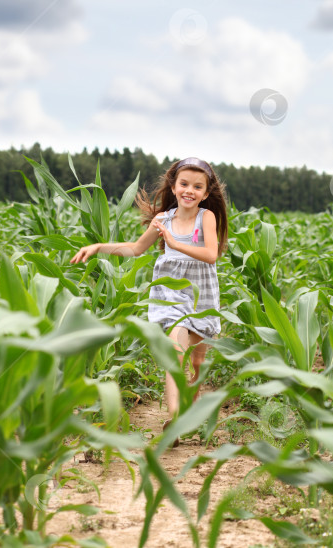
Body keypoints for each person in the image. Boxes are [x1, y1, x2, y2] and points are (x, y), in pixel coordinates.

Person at [70, 157, 228, 444]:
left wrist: (174, 243)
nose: (189, 190)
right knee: (174, 351)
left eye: (197, 186)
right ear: (174, 186)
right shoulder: (162, 220)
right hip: (173, 295)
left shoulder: (206, 217)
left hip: (201, 295)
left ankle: (191, 405)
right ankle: (176, 418)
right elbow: (135, 249)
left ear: (206, 193)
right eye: (184, 184)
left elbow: (211, 255)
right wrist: (98, 247)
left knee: (198, 362)